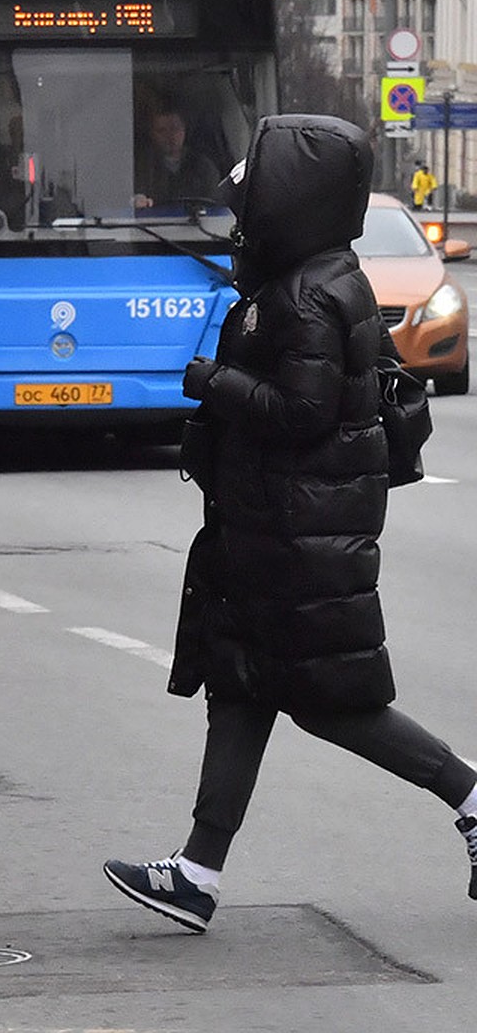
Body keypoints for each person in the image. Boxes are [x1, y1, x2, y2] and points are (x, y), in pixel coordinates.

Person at [103, 114, 477, 933]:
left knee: (330, 701)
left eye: (256, 205)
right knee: (241, 687)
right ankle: (196, 875)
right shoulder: (307, 280)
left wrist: (213, 385)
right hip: (277, 531)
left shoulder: (309, 296)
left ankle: (473, 796)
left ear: (293, 204)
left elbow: (303, 410)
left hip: (300, 538)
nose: (243, 223)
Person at [134, 107, 220, 209]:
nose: (170, 136)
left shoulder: (203, 166)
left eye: (175, 128)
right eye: (161, 130)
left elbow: (214, 206)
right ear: (151, 134)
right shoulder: (140, 168)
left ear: (185, 130)